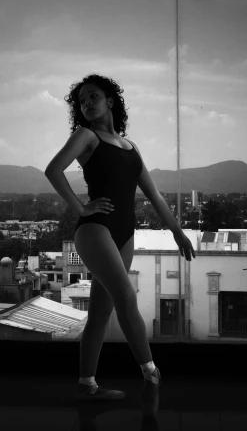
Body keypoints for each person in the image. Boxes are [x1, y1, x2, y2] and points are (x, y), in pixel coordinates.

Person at [44, 74, 196, 402]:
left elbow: (154, 195)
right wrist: (81, 208)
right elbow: (54, 170)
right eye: (81, 101)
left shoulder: (130, 147)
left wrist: (178, 233)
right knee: (127, 297)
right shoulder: (85, 136)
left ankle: (87, 384)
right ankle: (151, 372)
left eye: (93, 97)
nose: (86, 104)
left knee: (100, 314)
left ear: (110, 100)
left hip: (125, 234)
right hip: (95, 229)